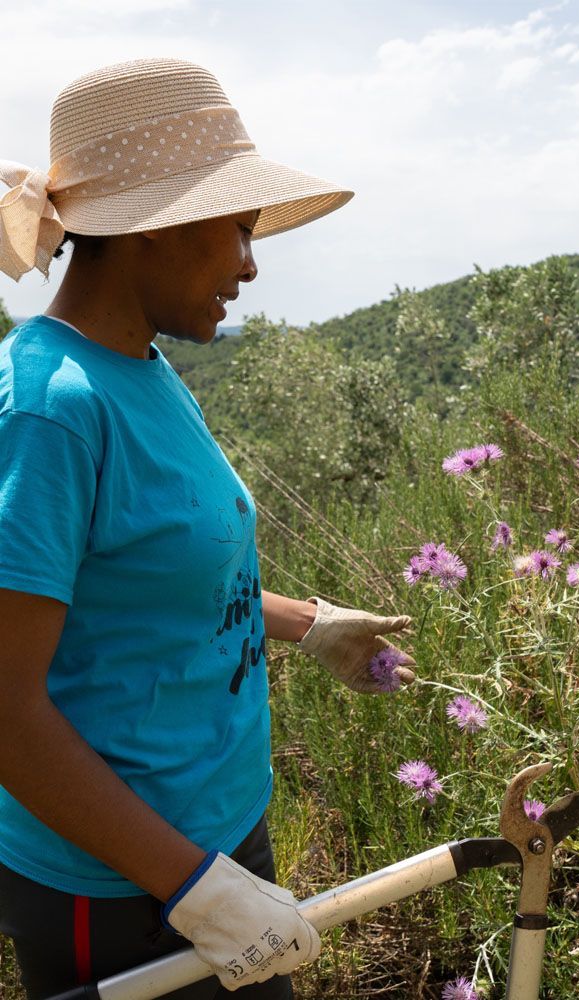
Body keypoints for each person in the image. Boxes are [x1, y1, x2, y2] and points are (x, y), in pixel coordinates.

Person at [0, 57, 416, 999]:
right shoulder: (50, 410)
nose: (250, 263)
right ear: (157, 222)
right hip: (121, 886)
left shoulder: (141, 369)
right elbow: (5, 707)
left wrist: (309, 624)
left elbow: (153, 579)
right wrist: (195, 890)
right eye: (239, 227)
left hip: (215, 842)